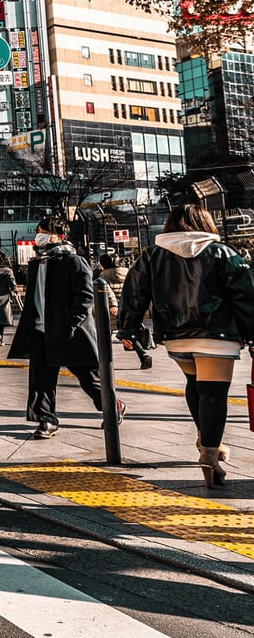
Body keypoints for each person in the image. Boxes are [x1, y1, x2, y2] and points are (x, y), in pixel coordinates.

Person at [119, 204, 254, 488]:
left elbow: (134, 292)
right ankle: (209, 454)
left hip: (175, 333)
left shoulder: (152, 255)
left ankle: (207, 440)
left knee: (195, 383)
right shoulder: (222, 253)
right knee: (214, 393)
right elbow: (245, 296)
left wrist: (128, 328)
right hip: (216, 333)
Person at [8, 215, 124, 440]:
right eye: (38, 231)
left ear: (58, 236)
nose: (38, 236)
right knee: (41, 379)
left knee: (88, 376)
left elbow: (85, 296)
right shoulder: (38, 262)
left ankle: (113, 407)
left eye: (43, 231)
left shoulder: (74, 261)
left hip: (70, 330)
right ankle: (47, 419)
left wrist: (72, 324)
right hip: (41, 330)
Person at [98, 254, 154, 369]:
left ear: (103, 265)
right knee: (128, 332)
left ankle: (106, 362)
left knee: (108, 335)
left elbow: (107, 292)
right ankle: (143, 354)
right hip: (130, 308)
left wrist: (113, 304)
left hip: (115, 310)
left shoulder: (102, 278)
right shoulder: (128, 273)